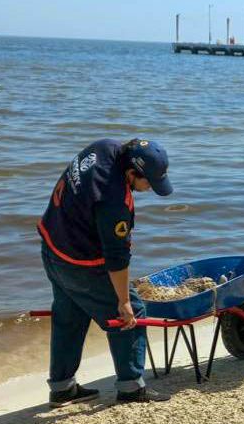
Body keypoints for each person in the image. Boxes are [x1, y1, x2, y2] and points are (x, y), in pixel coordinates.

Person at [38, 138, 174, 407]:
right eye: (148, 183)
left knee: (70, 314)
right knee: (131, 313)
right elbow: (116, 258)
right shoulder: (114, 202)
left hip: (52, 245)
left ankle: (62, 388)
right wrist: (123, 302)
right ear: (132, 173)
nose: (149, 190)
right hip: (80, 262)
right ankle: (131, 388)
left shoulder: (104, 147)